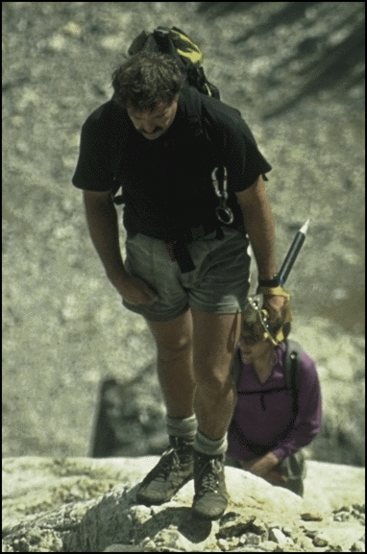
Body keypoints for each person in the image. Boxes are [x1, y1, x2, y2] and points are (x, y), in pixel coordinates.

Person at [72, 51, 287, 519]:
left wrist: (272, 283)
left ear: (176, 98)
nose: (147, 129)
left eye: (159, 120)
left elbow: (254, 199)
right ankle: (182, 450)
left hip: (218, 249)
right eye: (139, 121)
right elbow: (97, 200)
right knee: (172, 349)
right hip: (149, 250)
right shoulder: (106, 126)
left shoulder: (218, 122)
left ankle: (210, 462)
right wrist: (117, 275)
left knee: (212, 370)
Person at [227, 295, 322, 496]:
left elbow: (309, 424)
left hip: (282, 456)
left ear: (274, 338)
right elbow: (218, 418)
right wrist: (247, 464)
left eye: (252, 339)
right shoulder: (231, 367)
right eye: (240, 336)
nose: (244, 345)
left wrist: (270, 460)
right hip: (235, 454)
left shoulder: (299, 366)